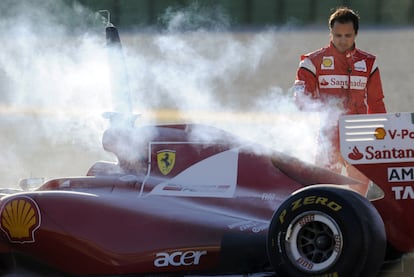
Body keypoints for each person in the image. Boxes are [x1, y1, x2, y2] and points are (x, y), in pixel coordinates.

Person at [293, 7, 387, 194]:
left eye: (347, 35)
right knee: (324, 193)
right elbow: (300, 101)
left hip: (360, 136)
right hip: (329, 136)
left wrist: (380, 136)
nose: (342, 40)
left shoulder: (369, 63)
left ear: (356, 34)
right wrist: (325, 106)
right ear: (330, 33)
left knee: (360, 197)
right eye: (338, 35)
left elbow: (377, 103)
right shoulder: (312, 62)